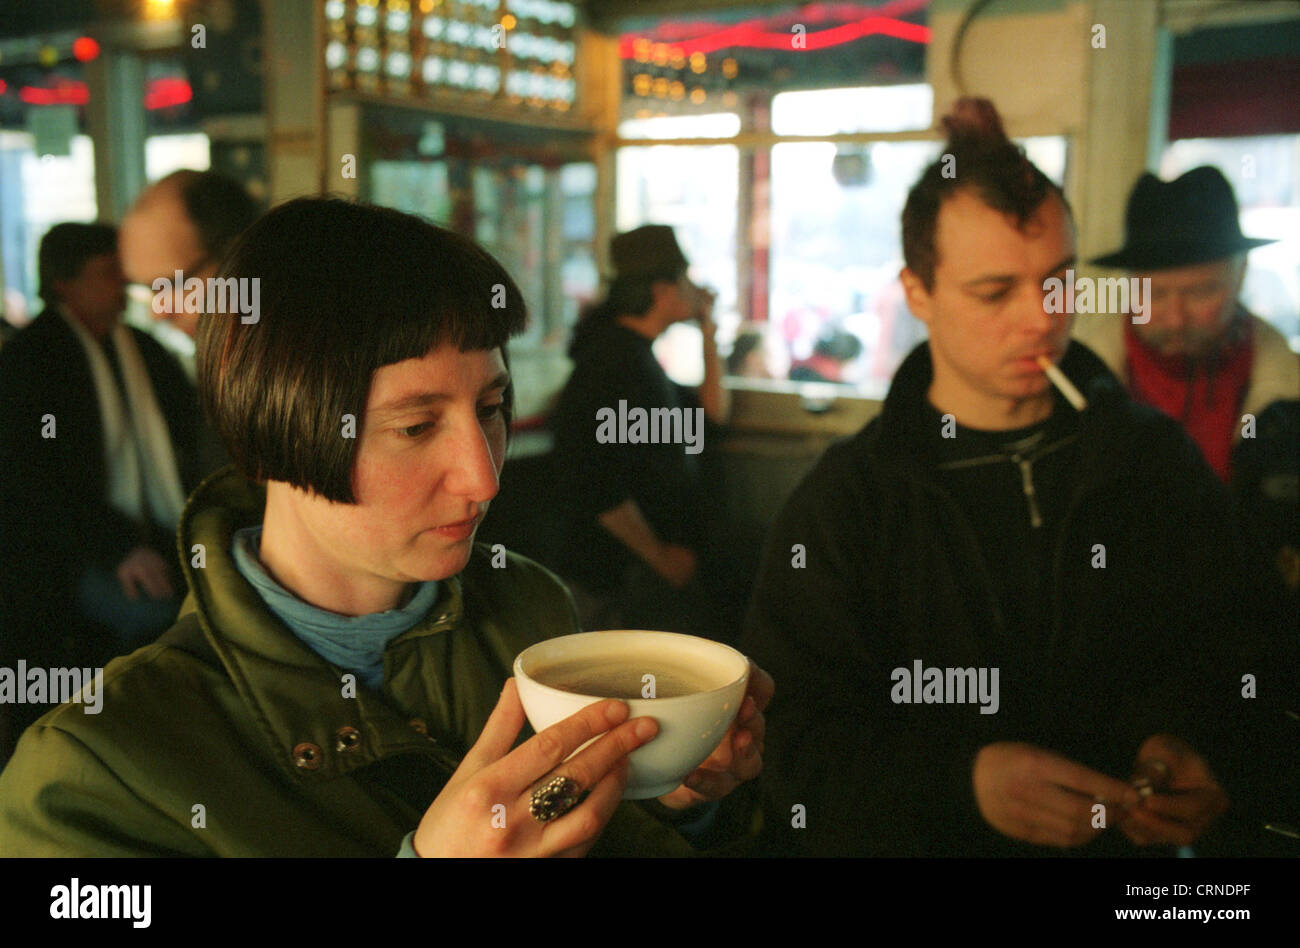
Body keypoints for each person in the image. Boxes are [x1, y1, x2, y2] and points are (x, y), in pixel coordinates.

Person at [0, 199, 771, 857]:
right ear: (276, 432)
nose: (484, 477)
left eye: (491, 410)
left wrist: (673, 792)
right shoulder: (96, 769)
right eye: (414, 426)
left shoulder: (529, 612)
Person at [740, 98, 1264, 857]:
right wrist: (960, 783)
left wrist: (1193, 744)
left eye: (1057, 281)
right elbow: (789, 750)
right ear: (917, 293)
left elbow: (1243, 652)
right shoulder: (850, 502)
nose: (1039, 319)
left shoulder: (1152, 462)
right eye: (995, 292)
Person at [0, 223, 198, 749]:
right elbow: (28, 483)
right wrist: (119, 548)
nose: (123, 286)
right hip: (58, 563)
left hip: (151, 536)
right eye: (109, 273)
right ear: (63, 282)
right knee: (166, 623)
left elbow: (192, 438)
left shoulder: (142, 350)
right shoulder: (29, 360)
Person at [550, 225, 749, 640]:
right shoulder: (613, 364)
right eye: (687, 278)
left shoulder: (638, 358)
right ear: (663, 291)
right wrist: (660, 557)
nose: (697, 290)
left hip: (640, 574)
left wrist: (709, 333)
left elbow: (711, 415)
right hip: (615, 577)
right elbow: (591, 478)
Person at [1076, 165, 1299, 484]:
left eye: (1202, 291)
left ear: (1242, 274)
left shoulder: (1287, 391)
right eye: (1154, 294)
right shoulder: (1079, 384)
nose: (1176, 318)